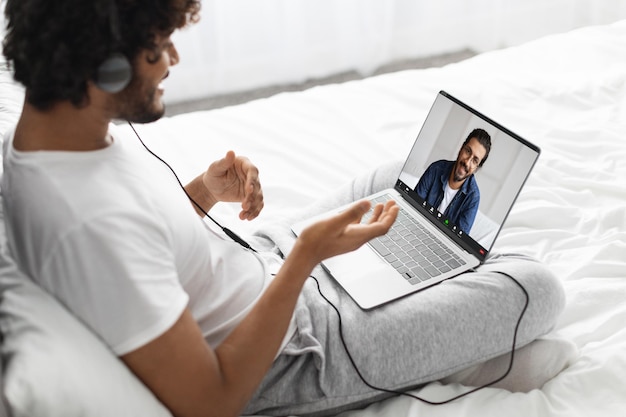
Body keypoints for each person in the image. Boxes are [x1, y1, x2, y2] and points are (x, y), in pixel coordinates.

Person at [1, 1, 566, 417]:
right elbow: (210, 404)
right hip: (302, 349)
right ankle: (440, 353)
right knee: (537, 287)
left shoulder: (55, 140)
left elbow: (142, 243)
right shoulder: (84, 225)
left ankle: (422, 305)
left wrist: (201, 193)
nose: (172, 59)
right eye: (156, 49)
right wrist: (306, 258)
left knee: (395, 181)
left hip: (263, 262)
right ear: (101, 69)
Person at [415, 128, 491, 233]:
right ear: (461, 148)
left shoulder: (473, 198)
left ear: (477, 168)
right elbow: (413, 205)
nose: (467, 162)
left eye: (475, 160)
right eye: (468, 151)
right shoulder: (435, 169)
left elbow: (458, 239)